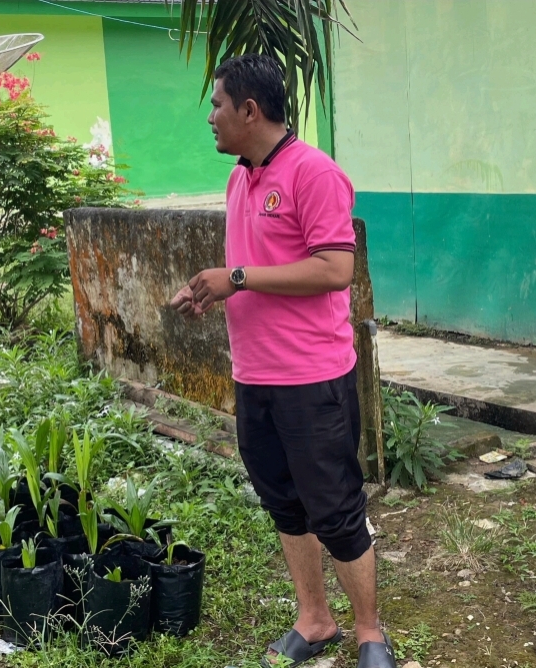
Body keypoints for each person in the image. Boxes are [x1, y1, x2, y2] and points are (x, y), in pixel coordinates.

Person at [169, 54, 396, 668]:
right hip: (255, 375)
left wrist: (236, 277)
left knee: (336, 508)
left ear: (250, 109)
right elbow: (260, 274)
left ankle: (370, 633)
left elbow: (334, 269)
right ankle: (315, 619)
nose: (211, 118)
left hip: (312, 378)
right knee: (284, 503)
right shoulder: (241, 177)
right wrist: (212, 292)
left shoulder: (314, 173)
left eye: (218, 105)